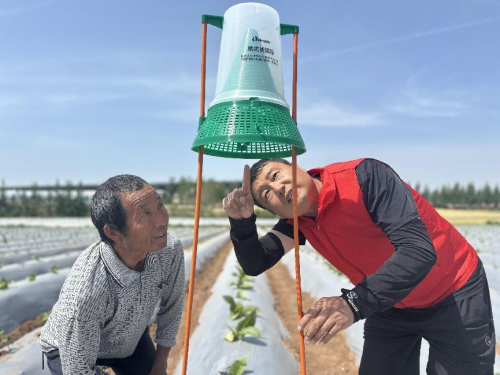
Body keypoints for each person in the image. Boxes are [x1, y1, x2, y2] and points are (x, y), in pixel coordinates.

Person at [223, 158, 495, 375]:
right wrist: (242, 223)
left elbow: (419, 251)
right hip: (391, 305)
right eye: (266, 194)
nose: (279, 188)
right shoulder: (297, 222)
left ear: (297, 167)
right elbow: (256, 262)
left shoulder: (364, 178)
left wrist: (353, 303)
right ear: (276, 213)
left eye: (275, 175)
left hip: (453, 293)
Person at [39, 175, 185, 375]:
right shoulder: (87, 291)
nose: (162, 220)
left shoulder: (169, 248)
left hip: (129, 337)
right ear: (114, 232)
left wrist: (161, 363)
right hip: (71, 346)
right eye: (145, 214)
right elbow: (77, 370)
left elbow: (172, 305)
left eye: (159, 206)